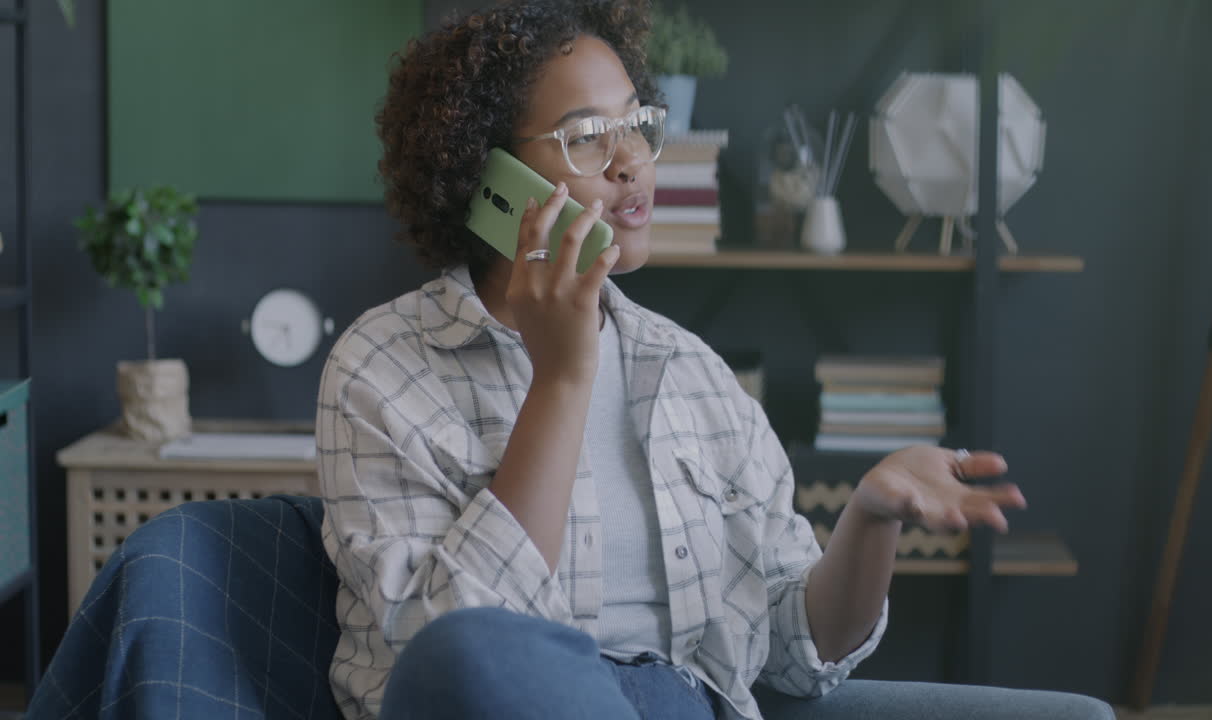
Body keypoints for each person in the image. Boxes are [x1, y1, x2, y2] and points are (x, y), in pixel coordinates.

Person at [315, 2, 1115, 719]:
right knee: (478, 652)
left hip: (683, 705)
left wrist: (870, 518)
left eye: (638, 124)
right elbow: (449, 654)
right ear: (488, 180)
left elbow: (797, 657)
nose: (632, 161)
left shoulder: (687, 371)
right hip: (507, 701)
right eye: (588, 138)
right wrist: (561, 378)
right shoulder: (386, 367)